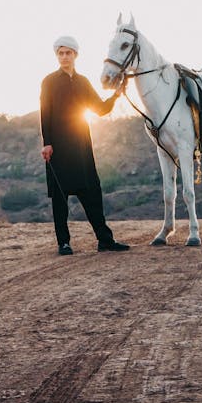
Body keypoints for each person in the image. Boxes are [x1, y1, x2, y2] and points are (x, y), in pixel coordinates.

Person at [40, 35, 130, 255]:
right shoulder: (49, 81)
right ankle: (64, 243)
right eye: (60, 53)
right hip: (58, 148)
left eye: (68, 53)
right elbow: (45, 113)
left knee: (92, 193)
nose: (64, 57)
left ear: (75, 55)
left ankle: (105, 240)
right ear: (57, 56)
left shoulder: (83, 82)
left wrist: (116, 95)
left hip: (81, 145)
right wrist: (47, 143)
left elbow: (99, 108)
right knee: (60, 199)